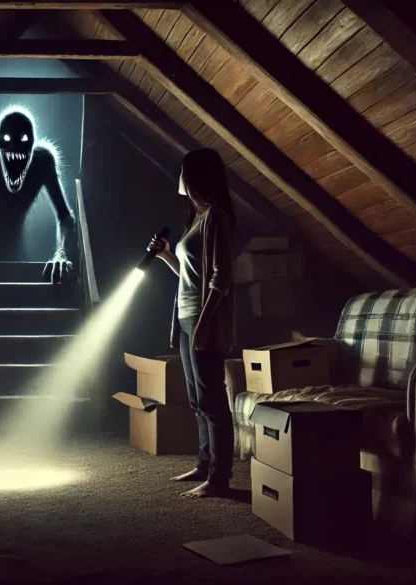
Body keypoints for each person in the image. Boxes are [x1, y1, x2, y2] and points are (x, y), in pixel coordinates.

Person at [148, 148, 237, 499]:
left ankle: (219, 478)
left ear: (196, 176)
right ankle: (203, 465)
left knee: (212, 400)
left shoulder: (216, 218)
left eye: (182, 172)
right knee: (197, 400)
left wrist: (203, 324)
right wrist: (167, 256)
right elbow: (189, 276)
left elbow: (221, 277)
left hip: (203, 321)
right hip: (185, 319)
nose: (178, 178)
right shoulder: (197, 219)